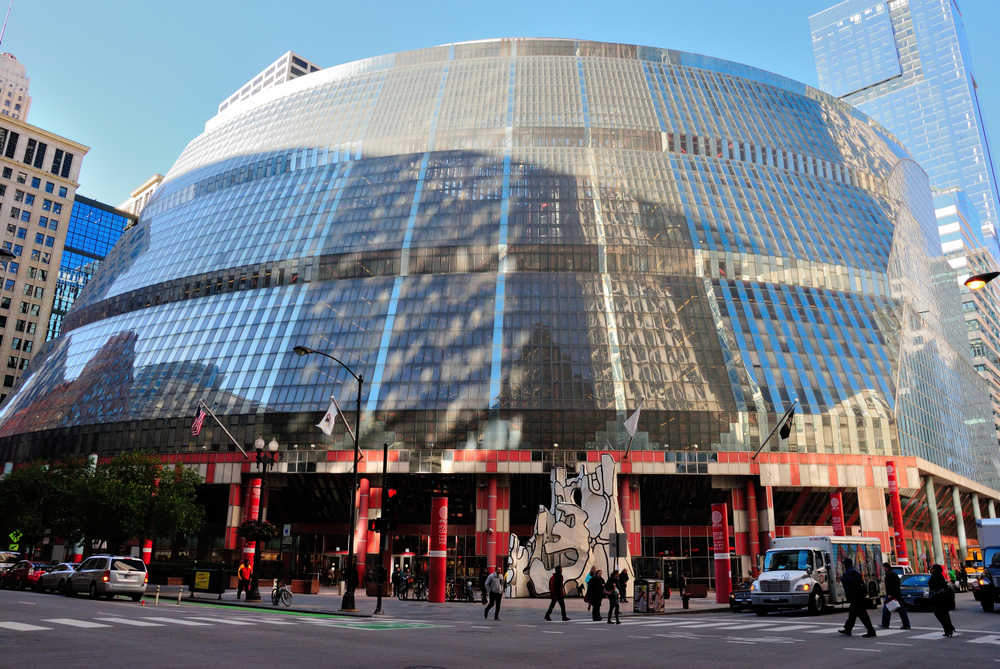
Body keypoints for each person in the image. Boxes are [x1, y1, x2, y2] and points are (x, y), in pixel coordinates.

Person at [838, 558, 876, 638]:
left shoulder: (848, 572)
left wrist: (842, 579)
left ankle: (871, 630)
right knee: (852, 613)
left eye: (844, 564)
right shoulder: (855, 571)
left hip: (855, 596)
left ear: (846, 564)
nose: (843, 565)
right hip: (859, 595)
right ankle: (848, 629)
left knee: (862, 614)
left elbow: (848, 582)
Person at [879, 562, 911, 630]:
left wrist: (890, 594)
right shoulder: (894, 573)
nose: (883, 569)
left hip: (892, 595)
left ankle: (885, 624)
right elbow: (898, 583)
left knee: (886, 609)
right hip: (897, 594)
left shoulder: (888, 574)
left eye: (884, 567)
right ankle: (906, 624)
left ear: (885, 567)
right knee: (901, 610)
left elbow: (890, 585)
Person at [929, 564, 955, 637]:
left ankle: (948, 629)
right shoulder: (938, 576)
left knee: (940, 614)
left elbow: (935, 586)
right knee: (944, 614)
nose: (931, 570)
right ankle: (948, 629)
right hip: (941, 598)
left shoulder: (936, 577)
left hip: (938, 598)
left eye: (933, 568)